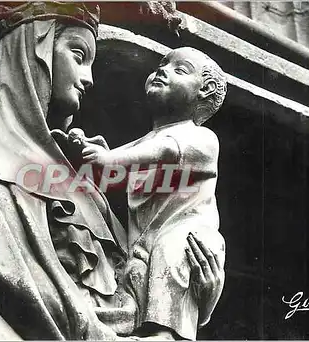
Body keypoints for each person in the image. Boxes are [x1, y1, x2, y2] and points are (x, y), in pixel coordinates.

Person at [0, 2, 224, 340]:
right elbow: (4, 276)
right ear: (32, 51)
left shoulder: (79, 182)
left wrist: (201, 294)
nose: (89, 79)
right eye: (78, 55)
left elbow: (135, 276)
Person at [76, 47, 227, 340]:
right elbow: (130, 154)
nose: (163, 70)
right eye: (162, 64)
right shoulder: (148, 142)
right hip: (144, 246)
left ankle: (166, 335)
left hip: (187, 236)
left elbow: (165, 152)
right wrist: (95, 152)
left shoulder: (200, 138)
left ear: (204, 90)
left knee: (172, 251)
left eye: (179, 70)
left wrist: (108, 159)